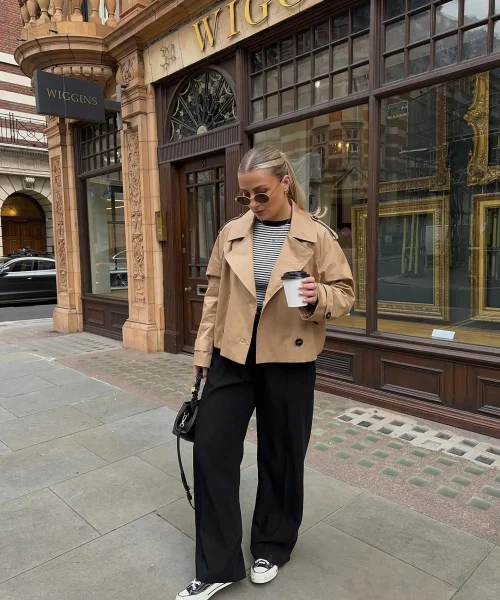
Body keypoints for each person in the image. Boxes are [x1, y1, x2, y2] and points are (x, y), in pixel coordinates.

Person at [176, 146, 355, 600]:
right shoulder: (232, 233)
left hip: (289, 361)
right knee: (211, 452)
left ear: (284, 184)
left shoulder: (317, 236)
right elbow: (214, 296)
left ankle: (271, 546)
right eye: (245, 198)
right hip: (230, 357)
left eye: (260, 195)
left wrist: (319, 299)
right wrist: (202, 350)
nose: (252, 205)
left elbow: (346, 293)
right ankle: (217, 564)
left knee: (281, 455)